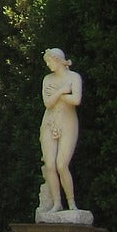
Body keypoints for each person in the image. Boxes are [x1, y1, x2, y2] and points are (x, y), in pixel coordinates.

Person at [39, 47, 82, 213]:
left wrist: (57, 93)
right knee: (50, 165)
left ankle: (71, 203)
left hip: (68, 122)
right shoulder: (47, 79)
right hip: (50, 122)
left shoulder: (74, 77)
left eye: (50, 61)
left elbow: (76, 99)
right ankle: (57, 203)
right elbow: (48, 103)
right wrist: (63, 91)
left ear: (57, 60)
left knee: (62, 164)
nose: (48, 65)